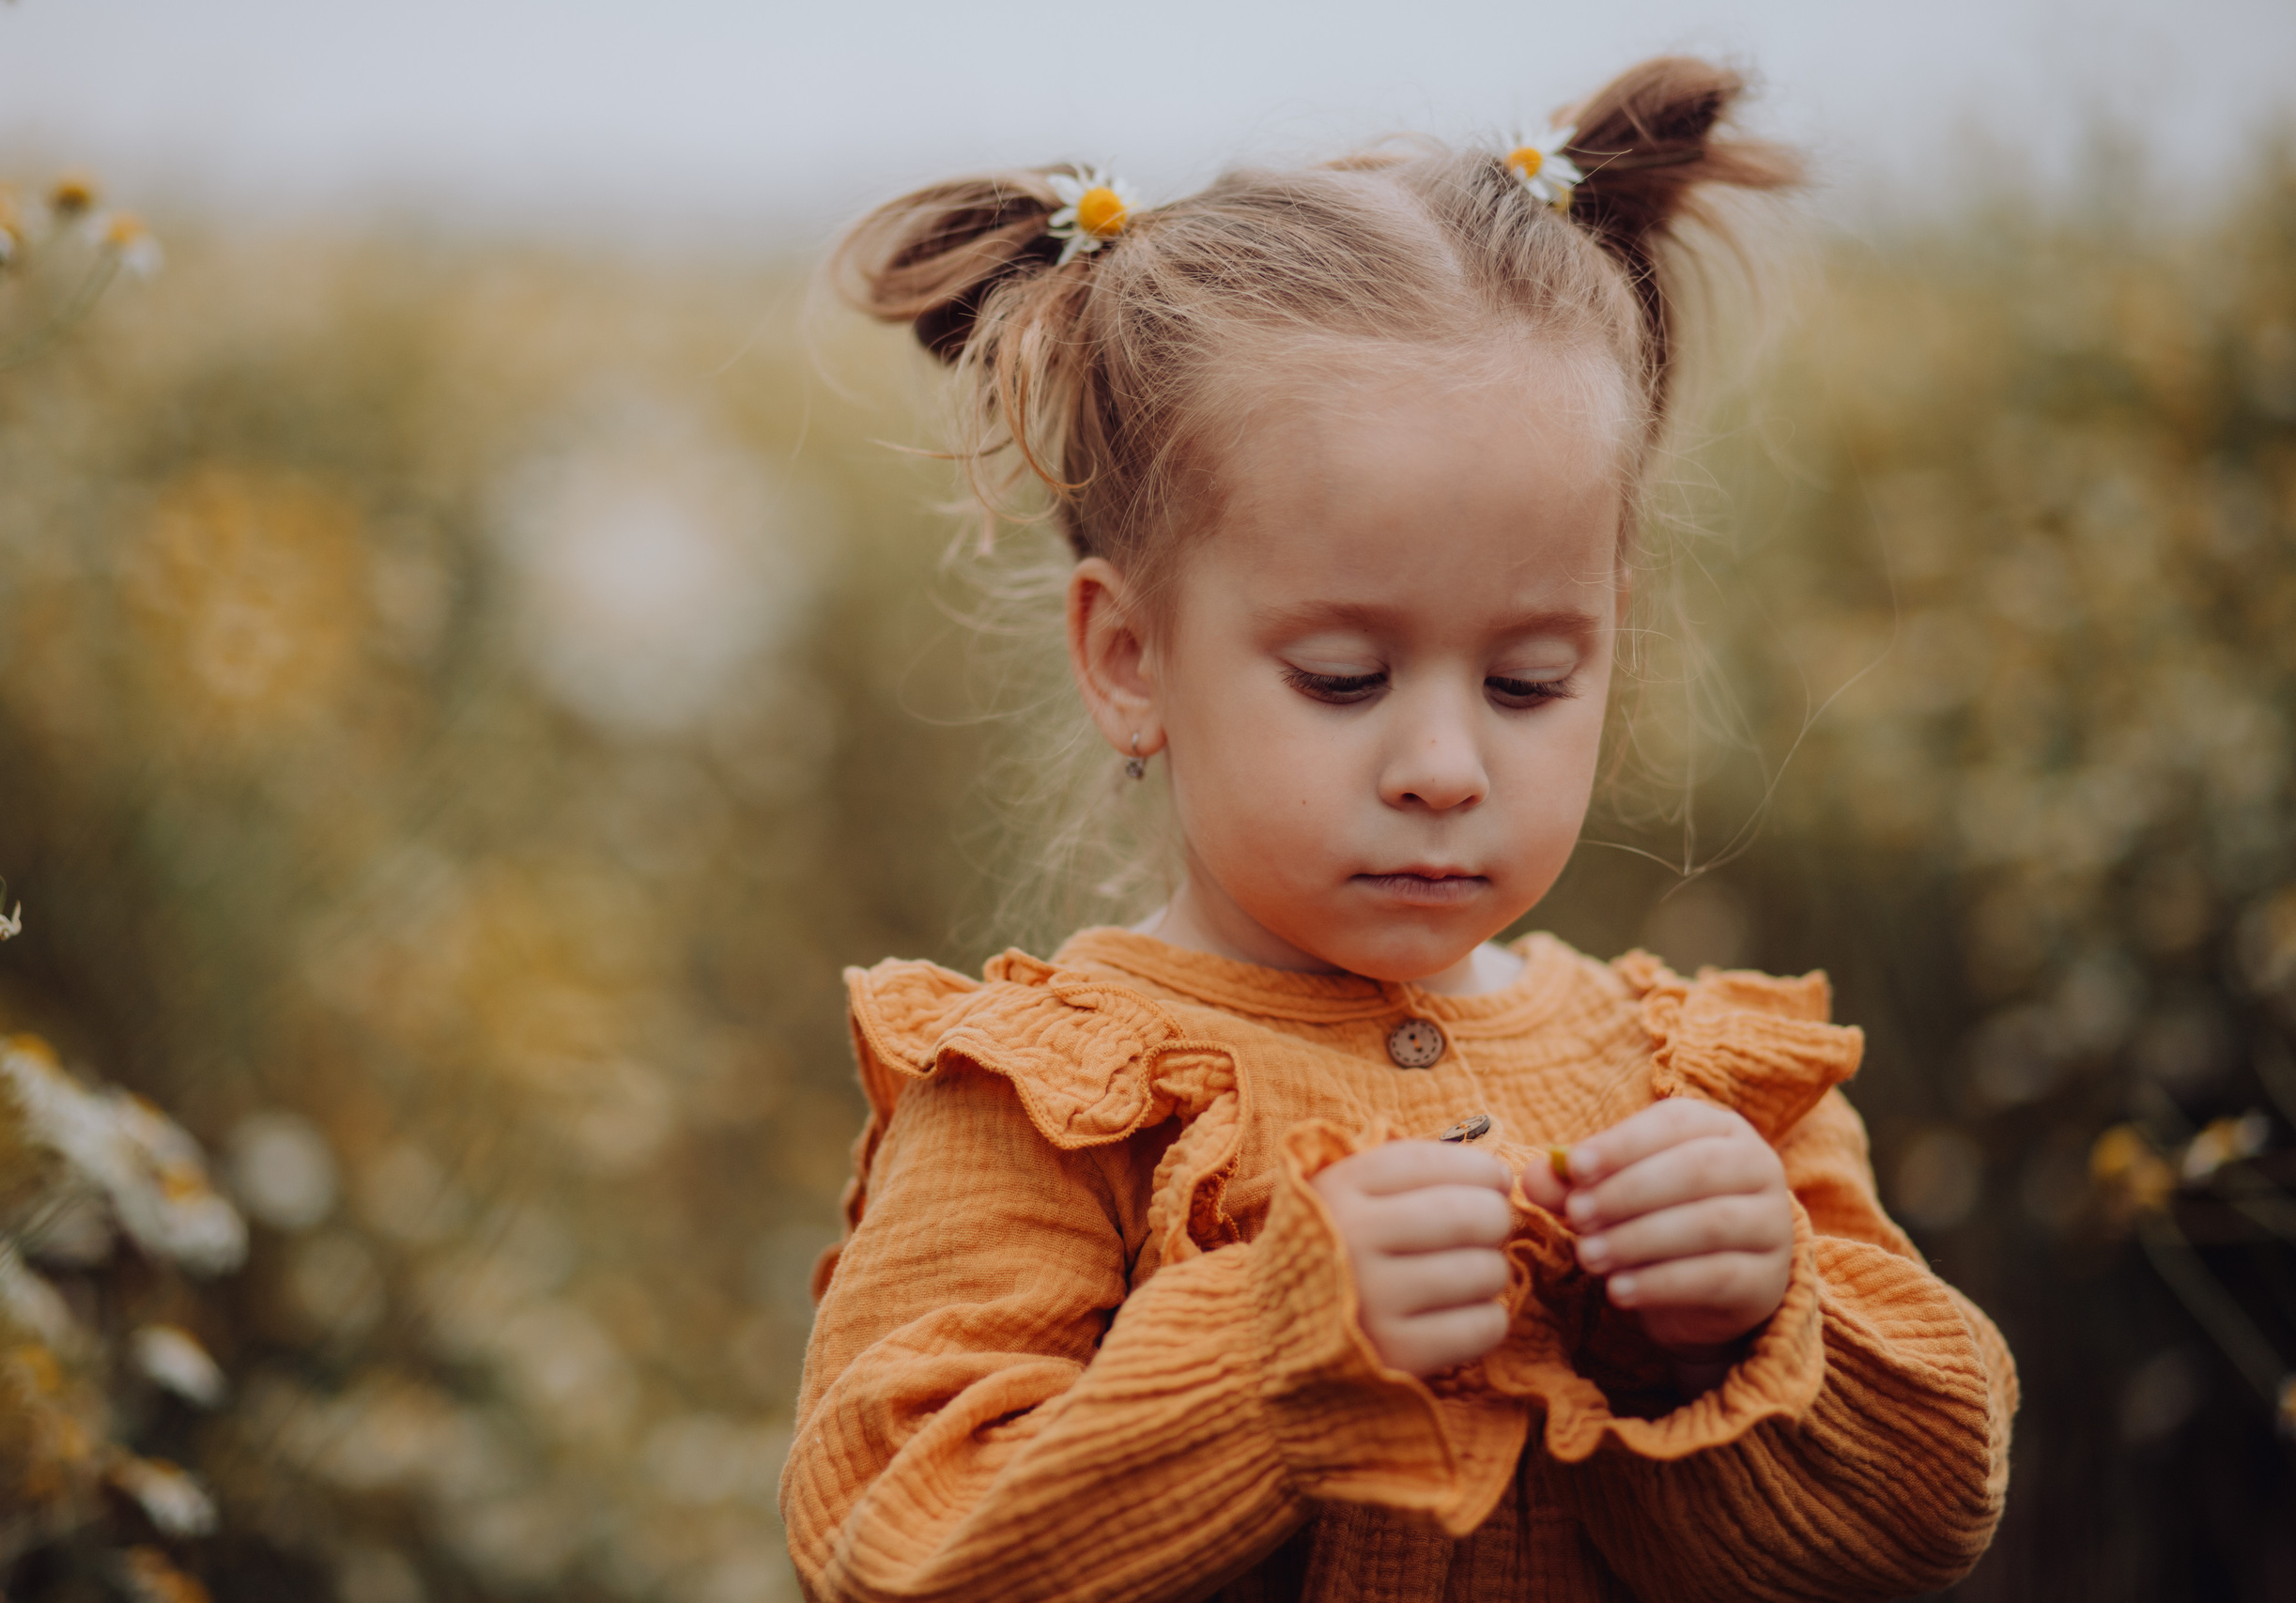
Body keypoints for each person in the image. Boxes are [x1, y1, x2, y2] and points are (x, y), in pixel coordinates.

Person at [782, 55, 2017, 1603]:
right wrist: (1272, 1352)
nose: (1442, 763)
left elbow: (1924, 1519)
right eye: (1345, 676)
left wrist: (1739, 1327)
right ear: (1129, 658)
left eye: (1526, 679)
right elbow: (891, 1539)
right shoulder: (1048, 1109)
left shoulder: (1704, 1094)